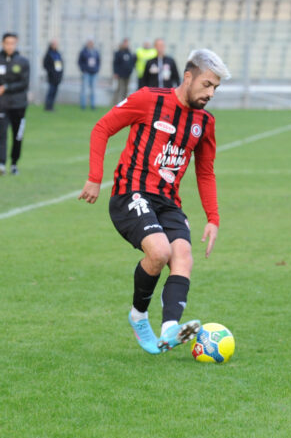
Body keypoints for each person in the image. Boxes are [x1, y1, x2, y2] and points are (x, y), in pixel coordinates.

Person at [78, 49, 230, 355]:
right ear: (188, 76)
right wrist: (95, 176)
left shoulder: (205, 122)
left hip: (167, 201)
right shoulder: (149, 99)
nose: (211, 92)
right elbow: (102, 128)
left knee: (183, 254)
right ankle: (138, 316)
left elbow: (205, 171)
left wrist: (213, 218)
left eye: (215, 87)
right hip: (130, 192)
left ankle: (169, 329)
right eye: (207, 84)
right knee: (160, 251)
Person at [0, 32, 30, 176]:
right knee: (1, 134)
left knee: (17, 136)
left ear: (16, 44)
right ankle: (1, 164)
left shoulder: (23, 62)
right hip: (2, 105)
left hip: (19, 105)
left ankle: (14, 164)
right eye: (7, 43)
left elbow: (24, 83)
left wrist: (6, 88)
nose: (10, 46)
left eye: (12, 43)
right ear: (2, 44)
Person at [78, 39, 100, 110]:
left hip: (93, 73)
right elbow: (79, 61)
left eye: (92, 43)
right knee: (84, 90)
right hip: (86, 73)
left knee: (93, 90)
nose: (91, 44)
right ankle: (83, 105)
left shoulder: (95, 52)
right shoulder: (83, 52)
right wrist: (83, 69)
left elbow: (98, 61)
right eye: (89, 43)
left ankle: (93, 105)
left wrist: (97, 69)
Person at [112, 38, 136, 105]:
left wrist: (131, 69)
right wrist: (115, 72)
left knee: (126, 90)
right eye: (125, 43)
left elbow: (132, 62)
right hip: (120, 74)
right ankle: (115, 103)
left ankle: (124, 103)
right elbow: (115, 63)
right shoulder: (118, 53)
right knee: (119, 88)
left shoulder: (129, 53)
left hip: (127, 74)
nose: (126, 44)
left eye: (127, 43)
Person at [42, 39, 63, 111]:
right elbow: (45, 65)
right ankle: (48, 107)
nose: (55, 46)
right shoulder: (49, 54)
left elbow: (61, 64)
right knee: (51, 91)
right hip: (52, 76)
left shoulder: (58, 53)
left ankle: (51, 106)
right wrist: (51, 72)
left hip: (58, 76)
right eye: (54, 44)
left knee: (54, 92)